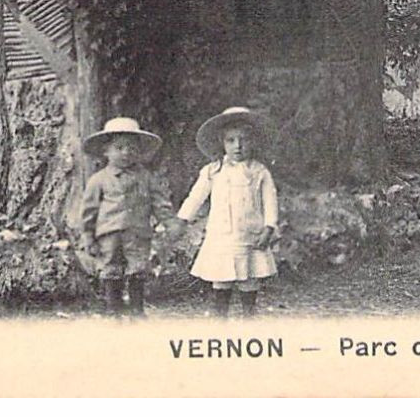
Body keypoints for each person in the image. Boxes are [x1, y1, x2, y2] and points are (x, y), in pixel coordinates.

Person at [171, 107, 279, 317]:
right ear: (222, 143)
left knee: (249, 277)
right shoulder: (213, 170)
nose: (238, 146)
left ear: (253, 142)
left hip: (251, 234)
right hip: (222, 235)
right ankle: (221, 318)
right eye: (231, 140)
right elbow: (196, 196)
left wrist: (269, 227)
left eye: (244, 140)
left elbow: (270, 200)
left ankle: (249, 316)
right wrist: (182, 220)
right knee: (222, 278)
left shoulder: (259, 171)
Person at [79, 116, 167, 316]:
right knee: (111, 269)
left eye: (132, 148)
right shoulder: (98, 180)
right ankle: (114, 309)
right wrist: (88, 236)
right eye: (119, 147)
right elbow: (88, 211)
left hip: (137, 232)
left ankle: (137, 309)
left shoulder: (146, 177)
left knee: (138, 268)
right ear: (106, 151)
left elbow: (159, 201)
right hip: (109, 235)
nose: (126, 153)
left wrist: (169, 221)